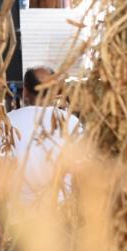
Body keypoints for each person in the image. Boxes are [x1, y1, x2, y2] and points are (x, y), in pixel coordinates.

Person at [4, 66, 79, 201]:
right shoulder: (71, 123)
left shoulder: (6, 122)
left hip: (19, 212)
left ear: (25, 92)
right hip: (61, 210)